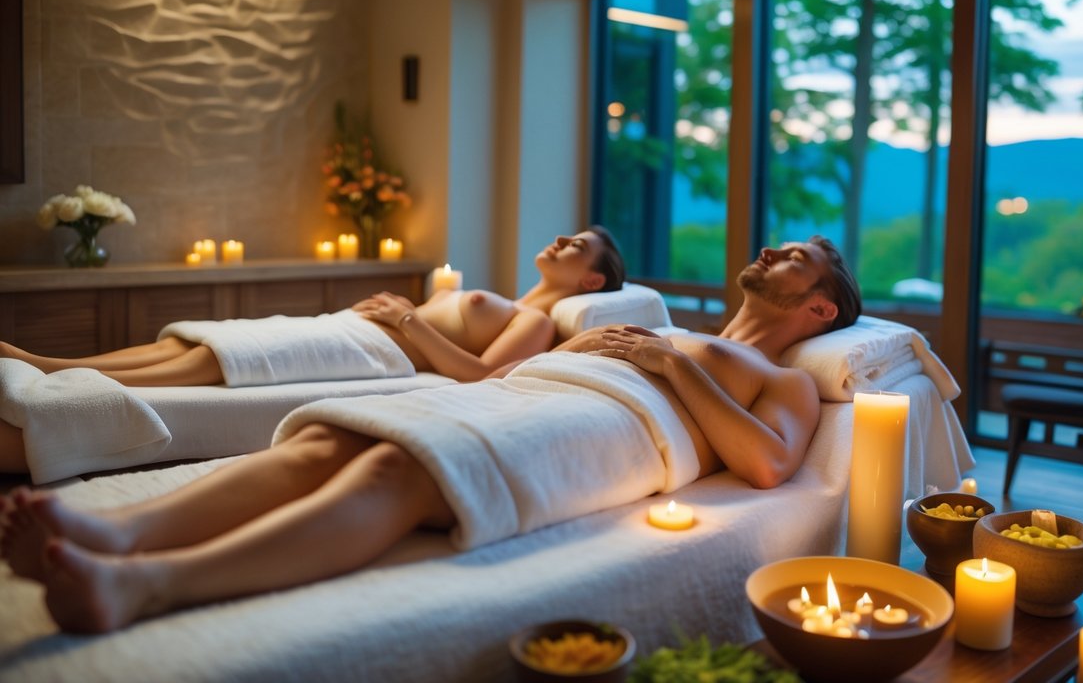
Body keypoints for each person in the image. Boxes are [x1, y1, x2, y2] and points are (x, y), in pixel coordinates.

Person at [0, 235, 861, 634]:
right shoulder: (673, 329)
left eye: (799, 259)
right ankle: (114, 531)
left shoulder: (782, 380)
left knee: (394, 476)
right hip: (542, 389)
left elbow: (764, 462)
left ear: (819, 308)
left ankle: (149, 585)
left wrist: (673, 369)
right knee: (333, 443)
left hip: (606, 427)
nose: (776, 252)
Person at [0, 227, 626, 474]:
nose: (562, 240)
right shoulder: (518, 298)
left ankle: (53, 371)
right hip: (357, 331)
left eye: (578, 246)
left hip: (377, 354)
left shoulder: (540, 322)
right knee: (209, 342)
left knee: (209, 364)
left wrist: (408, 318)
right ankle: (52, 366)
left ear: (592, 282)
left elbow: (480, 374)